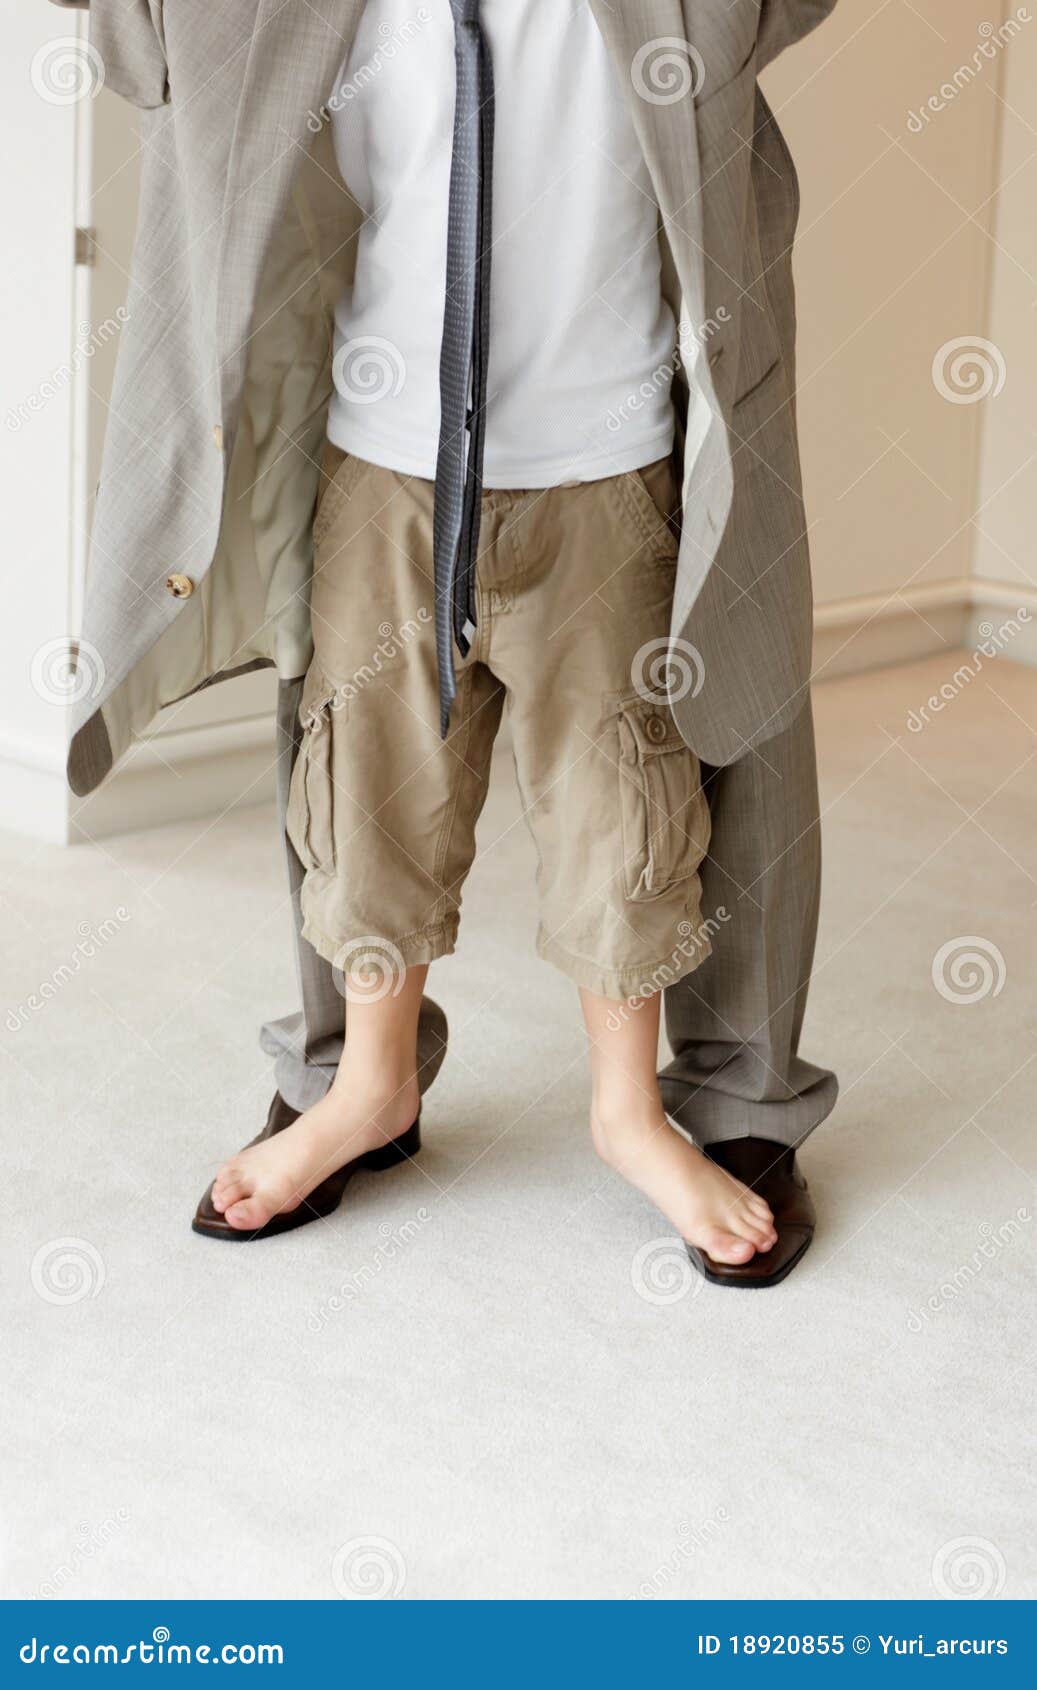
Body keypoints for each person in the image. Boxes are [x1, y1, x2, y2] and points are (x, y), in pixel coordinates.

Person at [61, 0, 840, 1286]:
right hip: (387, 462)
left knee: (622, 797)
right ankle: (365, 1081)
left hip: (605, 461)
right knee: (366, 787)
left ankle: (628, 1110)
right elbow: (142, 55)